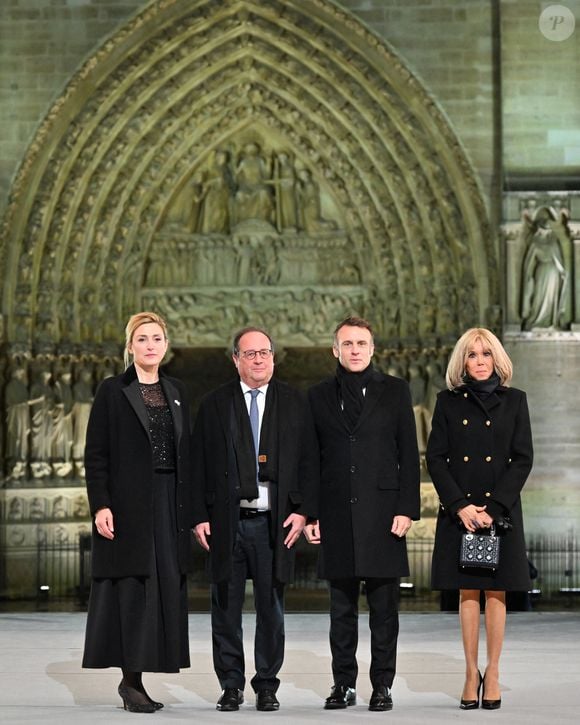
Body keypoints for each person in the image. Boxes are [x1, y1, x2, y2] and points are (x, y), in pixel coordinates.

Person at [192, 326, 318, 712]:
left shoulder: (295, 403)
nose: (259, 359)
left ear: (274, 358)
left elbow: (311, 463)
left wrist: (303, 511)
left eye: (264, 352)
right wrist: (199, 516)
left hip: (273, 523)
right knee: (225, 609)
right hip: (228, 521)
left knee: (271, 609)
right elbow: (197, 464)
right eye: (250, 354)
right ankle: (231, 685)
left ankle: (267, 685)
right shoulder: (214, 404)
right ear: (235, 359)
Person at [305, 316, 420, 712]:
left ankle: (382, 686)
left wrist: (407, 508)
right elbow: (310, 460)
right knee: (342, 613)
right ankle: (344, 685)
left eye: (362, 343)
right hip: (336, 516)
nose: (355, 350)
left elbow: (408, 453)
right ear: (335, 350)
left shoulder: (396, 391)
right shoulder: (318, 395)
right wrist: (310, 514)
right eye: (347, 344)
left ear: (373, 349)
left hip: (384, 516)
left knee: (384, 613)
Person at [82, 311, 194, 713]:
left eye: (157, 338)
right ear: (131, 346)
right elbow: (96, 454)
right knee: (133, 590)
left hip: (169, 502)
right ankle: (130, 684)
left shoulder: (176, 390)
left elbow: (187, 454)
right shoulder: (113, 390)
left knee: (162, 589)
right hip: (129, 506)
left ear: (167, 345)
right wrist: (102, 505)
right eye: (143, 339)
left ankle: (140, 679)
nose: (151, 345)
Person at [426, 328, 533, 711]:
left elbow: (522, 459)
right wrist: (460, 505)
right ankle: (471, 673)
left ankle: (495, 671)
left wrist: (495, 508)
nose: (480, 360)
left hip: (499, 513)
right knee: (468, 592)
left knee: (497, 591)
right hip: (462, 512)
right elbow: (435, 458)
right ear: (463, 362)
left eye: (486, 353)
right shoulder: (447, 402)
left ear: (497, 358)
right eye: (472, 354)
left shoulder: (515, 401)